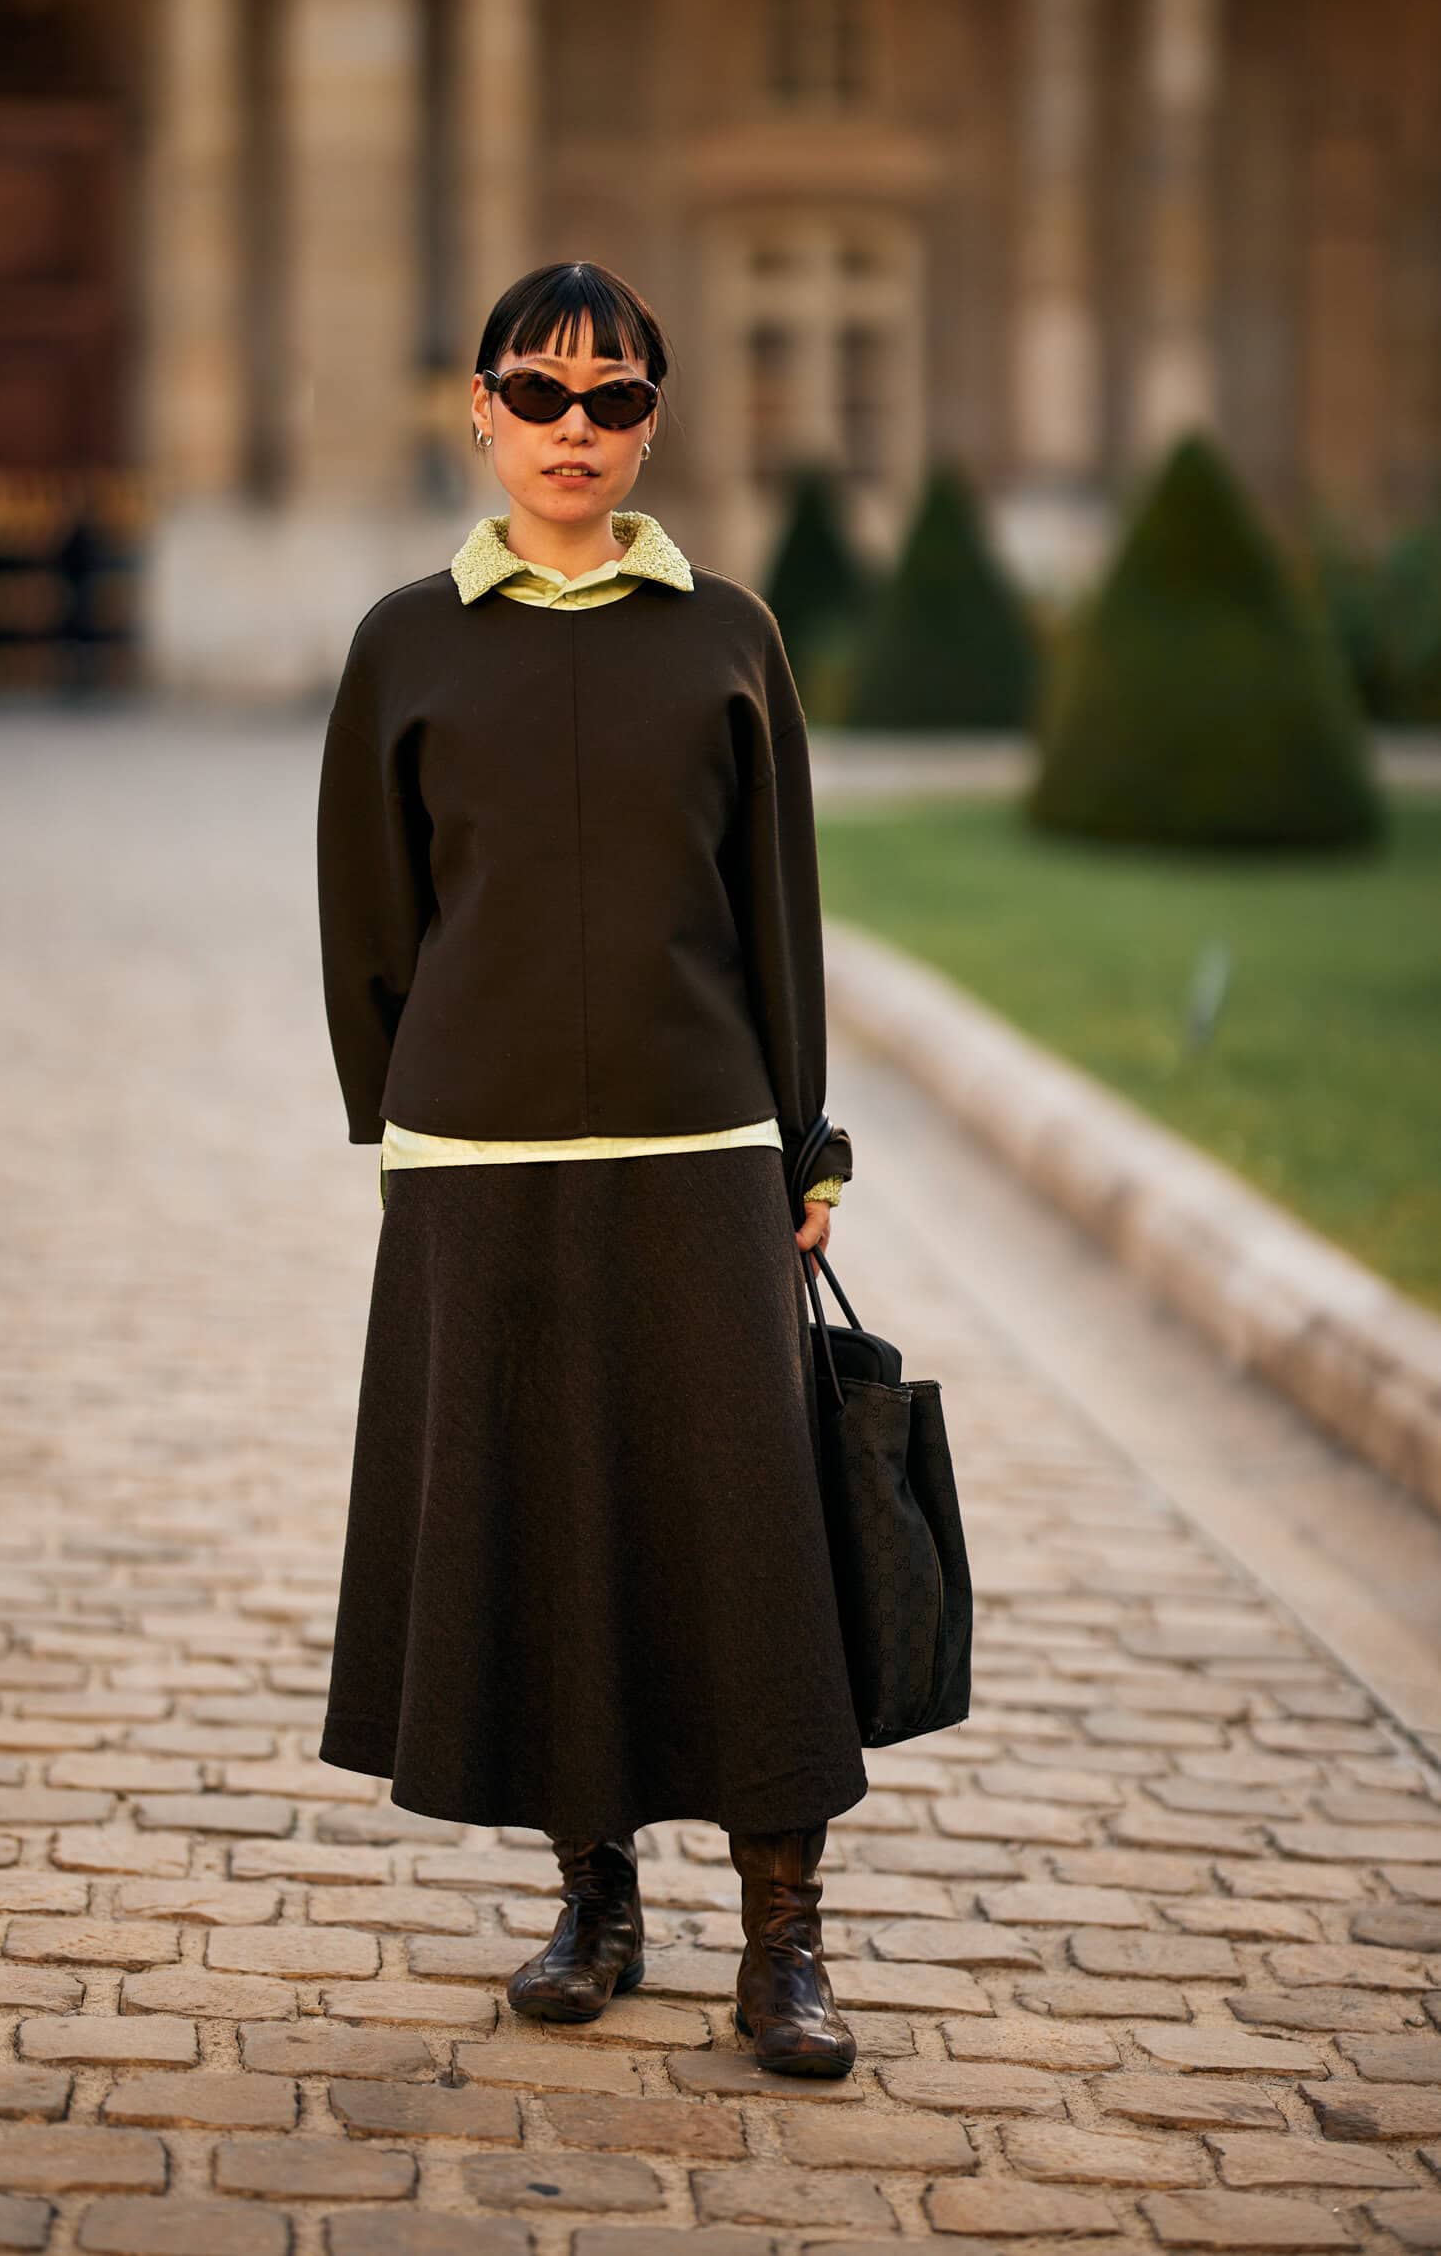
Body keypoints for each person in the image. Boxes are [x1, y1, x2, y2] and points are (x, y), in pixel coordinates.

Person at [314, 260, 864, 2079]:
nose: (574, 428)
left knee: (748, 1537)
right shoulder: (405, 640)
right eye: (539, 394)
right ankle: (595, 1899)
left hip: (699, 1145)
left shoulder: (729, 635)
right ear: (478, 407)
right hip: (479, 1155)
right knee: (549, 1519)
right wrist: (397, 1127)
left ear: (652, 421)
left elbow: (777, 907)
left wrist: (809, 1142)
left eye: (612, 397)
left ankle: (784, 1938)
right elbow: (369, 917)